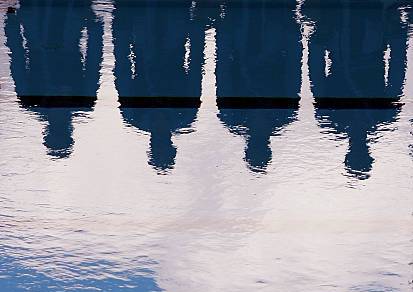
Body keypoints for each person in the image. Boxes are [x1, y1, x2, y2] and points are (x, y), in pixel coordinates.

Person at [305, 0, 409, 179]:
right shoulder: (383, 116)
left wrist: (318, 41)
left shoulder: (331, 117)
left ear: (349, 154)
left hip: (356, 45)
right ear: (368, 154)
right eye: (362, 155)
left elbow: (316, 73)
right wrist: (396, 35)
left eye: (356, 155)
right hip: (363, 48)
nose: (359, 150)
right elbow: (397, 70)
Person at [113, 0, 206, 173]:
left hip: (145, 43)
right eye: (163, 147)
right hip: (171, 41)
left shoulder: (134, 115)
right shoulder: (185, 114)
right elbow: (195, 70)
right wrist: (197, 33)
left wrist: (120, 33)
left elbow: (122, 71)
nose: (160, 142)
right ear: (171, 146)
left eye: (158, 148)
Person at [5, 0, 103, 158]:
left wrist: (11, 25)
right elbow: (93, 61)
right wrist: (95, 27)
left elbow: (17, 61)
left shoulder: (31, 102)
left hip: (43, 32)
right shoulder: (83, 102)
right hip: (59, 33)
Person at [215, 0, 301, 173]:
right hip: (270, 37)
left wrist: (224, 34)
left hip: (248, 40)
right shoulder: (284, 115)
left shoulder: (232, 116)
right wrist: (292, 34)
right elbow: (293, 69)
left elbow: (223, 71)